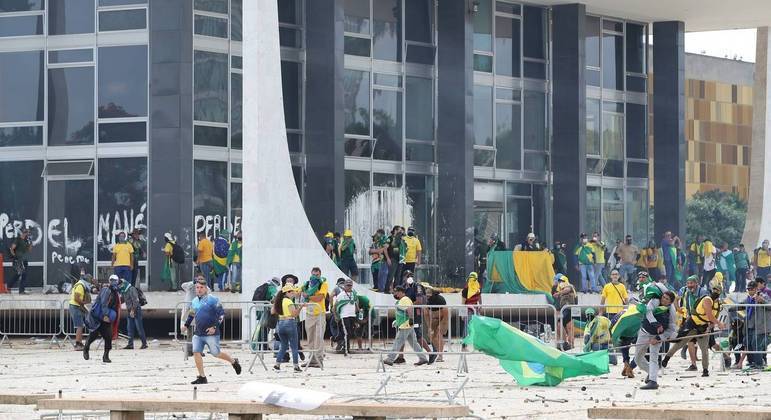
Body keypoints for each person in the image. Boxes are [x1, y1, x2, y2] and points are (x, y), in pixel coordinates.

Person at [662, 277, 727, 377]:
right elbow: (709, 315)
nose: (715, 292)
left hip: (703, 326)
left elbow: (712, 318)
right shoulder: (707, 299)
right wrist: (720, 323)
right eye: (714, 290)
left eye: (717, 291)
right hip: (692, 323)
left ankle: (705, 370)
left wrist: (709, 328)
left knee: (704, 348)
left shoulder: (718, 304)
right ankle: (667, 358)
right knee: (680, 342)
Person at [182, 277, 242, 384]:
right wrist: (186, 325)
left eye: (201, 287)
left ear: (206, 289)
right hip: (198, 333)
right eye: (197, 287)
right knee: (196, 352)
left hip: (212, 333)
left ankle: (233, 361)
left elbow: (222, 315)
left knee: (216, 353)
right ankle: (202, 377)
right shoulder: (194, 301)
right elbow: (191, 314)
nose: (199, 289)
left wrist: (214, 327)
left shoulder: (213, 300)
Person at [382, 286, 434, 367]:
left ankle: (390, 359)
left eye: (396, 291)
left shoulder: (404, 300)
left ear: (401, 292)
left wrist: (410, 319)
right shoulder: (404, 299)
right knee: (414, 343)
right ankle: (423, 358)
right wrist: (397, 321)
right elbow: (402, 312)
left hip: (405, 325)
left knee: (398, 342)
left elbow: (409, 309)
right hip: (406, 324)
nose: (395, 293)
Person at [636, 290, 677, 390]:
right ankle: (651, 373)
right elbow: (648, 313)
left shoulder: (671, 311)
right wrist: (656, 324)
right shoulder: (654, 301)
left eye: (667, 299)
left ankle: (653, 381)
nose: (664, 299)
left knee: (654, 358)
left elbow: (671, 329)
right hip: (644, 332)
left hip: (657, 336)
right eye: (663, 297)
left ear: (670, 302)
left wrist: (658, 338)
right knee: (637, 359)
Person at [83, 276, 121, 363]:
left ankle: (105, 356)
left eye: (115, 280)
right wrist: (106, 315)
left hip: (107, 317)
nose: (113, 282)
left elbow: (115, 304)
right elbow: (104, 304)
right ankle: (86, 348)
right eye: (112, 280)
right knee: (94, 334)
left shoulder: (115, 291)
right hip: (100, 315)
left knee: (108, 336)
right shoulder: (106, 290)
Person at [272, 283, 305, 372]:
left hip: (281, 323)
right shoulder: (289, 301)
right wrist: (300, 307)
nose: (293, 293)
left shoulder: (279, 301)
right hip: (290, 322)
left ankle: (277, 365)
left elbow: (272, 311)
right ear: (287, 292)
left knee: (283, 346)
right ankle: (296, 366)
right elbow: (294, 314)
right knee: (294, 346)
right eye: (292, 292)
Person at [302, 267, 328, 368]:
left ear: (320, 275)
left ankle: (319, 360)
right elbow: (300, 292)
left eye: (317, 275)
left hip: (320, 314)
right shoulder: (307, 284)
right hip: (309, 313)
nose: (315, 277)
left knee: (319, 338)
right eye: (314, 274)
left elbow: (320, 298)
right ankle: (312, 360)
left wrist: (307, 296)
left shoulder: (323, 284)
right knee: (310, 338)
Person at [744, 280, 771, 369]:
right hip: (751, 325)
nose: (749, 290)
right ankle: (753, 362)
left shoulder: (763, 296)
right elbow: (742, 305)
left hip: (761, 326)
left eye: (751, 289)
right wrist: (729, 307)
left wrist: (762, 300)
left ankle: (759, 363)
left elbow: (769, 305)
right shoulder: (749, 298)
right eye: (748, 289)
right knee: (750, 344)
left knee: (756, 344)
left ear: (756, 289)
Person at [119, 278, 147, 350]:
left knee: (139, 328)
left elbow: (136, 301)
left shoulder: (131, 289)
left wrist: (133, 310)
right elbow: (123, 300)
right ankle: (130, 344)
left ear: (124, 283)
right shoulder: (124, 290)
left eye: (120, 284)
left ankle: (144, 343)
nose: (119, 286)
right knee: (129, 328)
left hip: (136, 310)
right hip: (129, 310)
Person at [69, 272, 94, 350]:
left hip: (77, 306)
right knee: (79, 326)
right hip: (75, 307)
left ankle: (79, 343)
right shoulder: (80, 286)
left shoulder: (81, 284)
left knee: (80, 326)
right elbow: (76, 298)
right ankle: (78, 344)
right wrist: (85, 304)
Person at [333, 279, 358, 355]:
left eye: (350, 285)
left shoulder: (354, 293)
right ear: (344, 286)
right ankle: (346, 348)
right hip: (344, 316)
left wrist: (358, 310)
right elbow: (335, 306)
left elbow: (356, 302)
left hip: (352, 315)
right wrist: (336, 316)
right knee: (347, 332)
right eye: (347, 285)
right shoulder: (341, 295)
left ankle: (336, 339)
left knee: (351, 333)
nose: (349, 287)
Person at [553, 274, 577, 350]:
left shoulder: (569, 286)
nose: (560, 282)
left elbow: (567, 289)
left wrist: (559, 293)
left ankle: (568, 343)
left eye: (560, 281)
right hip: (565, 309)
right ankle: (566, 343)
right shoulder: (558, 288)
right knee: (563, 326)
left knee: (565, 325)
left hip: (569, 308)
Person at [425, 284, 448, 362]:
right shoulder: (428, 301)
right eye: (426, 293)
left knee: (439, 335)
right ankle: (439, 350)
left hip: (443, 318)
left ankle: (440, 356)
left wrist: (443, 323)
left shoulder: (440, 299)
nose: (427, 294)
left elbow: (446, 312)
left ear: (432, 293)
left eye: (428, 293)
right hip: (434, 319)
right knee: (431, 336)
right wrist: (429, 326)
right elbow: (426, 314)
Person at [7, 228, 32, 294]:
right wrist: (15, 257)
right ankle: (12, 287)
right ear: (24, 233)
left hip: (24, 260)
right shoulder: (18, 239)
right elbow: (12, 248)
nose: (28, 234)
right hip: (18, 259)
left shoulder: (27, 240)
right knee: (20, 274)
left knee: (23, 274)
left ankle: (16, 289)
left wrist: (30, 243)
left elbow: (29, 250)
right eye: (27, 233)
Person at [386, 226, 404, 291]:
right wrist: (388, 258)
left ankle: (396, 290)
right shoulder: (390, 238)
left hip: (400, 260)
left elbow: (404, 248)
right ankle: (387, 290)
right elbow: (385, 248)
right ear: (395, 230)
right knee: (391, 276)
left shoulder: (401, 239)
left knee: (398, 277)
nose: (401, 232)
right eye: (399, 230)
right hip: (393, 259)